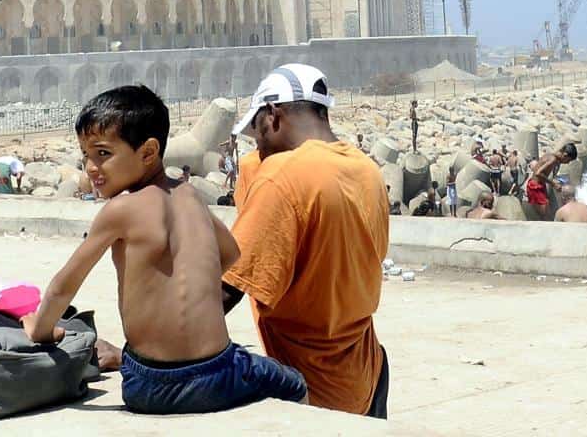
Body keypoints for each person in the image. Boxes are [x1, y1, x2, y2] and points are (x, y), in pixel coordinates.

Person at [23, 85, 306, 413]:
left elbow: (64, 285)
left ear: (147, 153)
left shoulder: (120, 210)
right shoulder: (189, 196)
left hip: (151, 385)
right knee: (294, 383)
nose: (90, 168)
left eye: (103, 154)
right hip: (220, 371)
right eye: (86, 155)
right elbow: (231, 254)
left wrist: (41, 329)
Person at [223, 64, 390, 417]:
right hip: (366, 373)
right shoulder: (366, 170)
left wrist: (144, 357)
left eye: (258, 137)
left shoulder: (282, 176)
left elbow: (225, 291)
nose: (260, 151)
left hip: (311, 389)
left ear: (273, 115)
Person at [524, 143, 577, 218]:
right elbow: (538, 173)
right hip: (535, 187)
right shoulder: (553, 159)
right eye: (568, 160)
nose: (568, 163)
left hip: (540, 185)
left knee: (546, 213)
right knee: (547, 216)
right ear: (565, 155)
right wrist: (553, 184)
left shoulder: (551, 156)